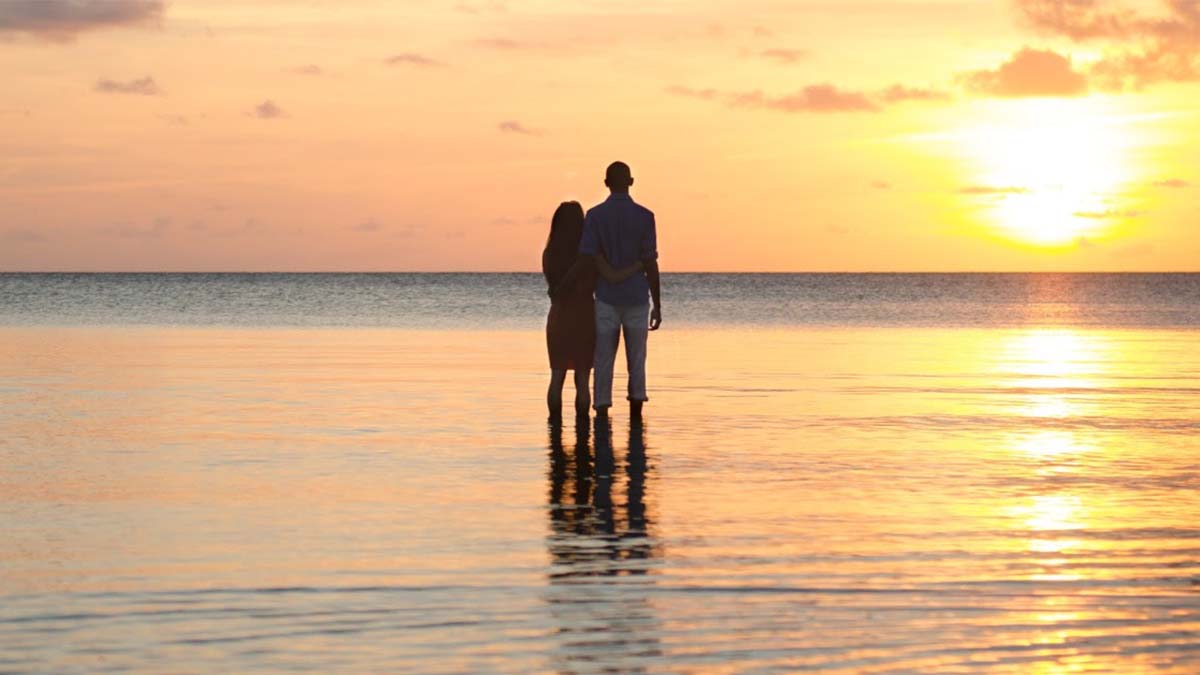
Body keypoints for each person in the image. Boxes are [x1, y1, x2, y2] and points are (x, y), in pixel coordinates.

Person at [543, 202, 643, 423]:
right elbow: (612, 277)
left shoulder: (549, 253)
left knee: (556, 377)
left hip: (559, 316)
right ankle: (582, 432)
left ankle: (555, 433)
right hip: (584, 317)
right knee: (582, 379)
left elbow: (553, 287)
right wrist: (638, 266)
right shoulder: (590, 255)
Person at [579, 162, 661, 420]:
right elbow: (650, 262)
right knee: (637, 360)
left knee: (603, 359)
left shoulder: (594, 216)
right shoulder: (646, 217)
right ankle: (636, 414)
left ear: (606, 183)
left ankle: (601, 410)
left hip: (605, 298)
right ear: (631, 182)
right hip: (637, 297)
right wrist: (657, 304)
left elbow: (589, 257)